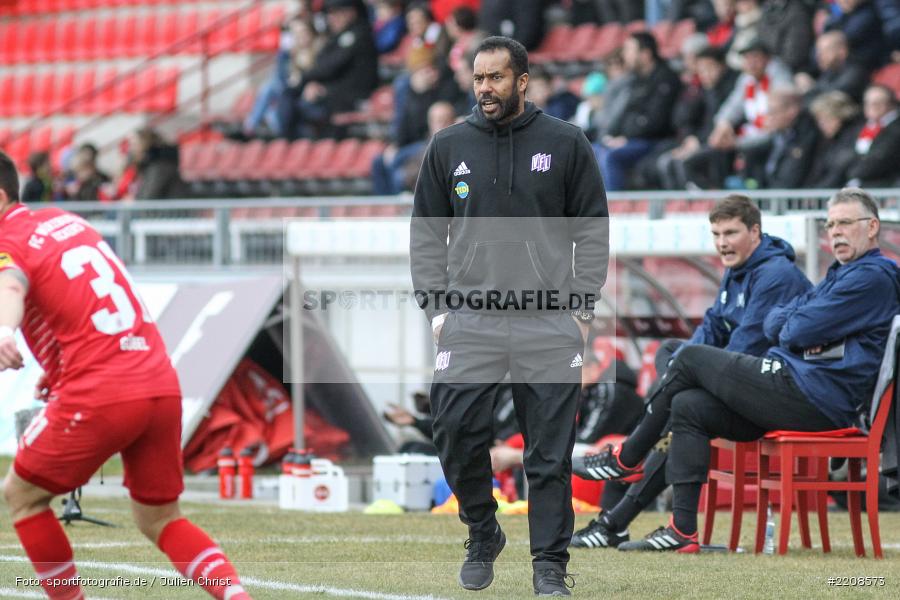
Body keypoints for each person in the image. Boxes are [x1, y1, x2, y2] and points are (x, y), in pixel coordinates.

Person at [581, 188, 900, 552]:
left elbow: (789, 331)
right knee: (687, 403)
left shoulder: (868, 277)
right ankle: (681, 531)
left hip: (816, 397)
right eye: (830, 225)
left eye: (845, 223)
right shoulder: (840, 273)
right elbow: (773, 325)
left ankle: (627, 459)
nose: (835, 232)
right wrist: (790, 327)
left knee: (689, 361)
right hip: (794, 386)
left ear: (872, 227)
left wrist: (788, 328)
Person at [0, 151, 251, 600]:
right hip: (158, 383)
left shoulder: (8, 238)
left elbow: (10, 285)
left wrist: (4, 329)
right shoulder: (66, 221)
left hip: (101, 391)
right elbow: (86, 302)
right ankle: (237, 596)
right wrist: (58, 368)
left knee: (22, 496)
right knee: (160, 518)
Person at [410, 36, 608, 596]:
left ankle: (550, 566)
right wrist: (436, 308)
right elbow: (426, 234)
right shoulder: (448, 145)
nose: (485, 88)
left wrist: (582, 308)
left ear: (522, 81)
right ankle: (483, 528)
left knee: (548, 453)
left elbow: (592, 230)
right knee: (452, 429)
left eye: (495, 78)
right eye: (478, 78)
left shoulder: (565, 142)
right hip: (470, 316)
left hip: (548, 320)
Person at [571, 194, 812, 549]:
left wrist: (694, 372)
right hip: (743, 387)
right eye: (716, 234)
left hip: (771, 394)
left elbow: (744, 349)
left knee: (684, 391)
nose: (722, 243)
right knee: (678, 380)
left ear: (755, 232)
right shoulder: (737, 270)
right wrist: (684, 373)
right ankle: (660, 528)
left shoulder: (776, 276)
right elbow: (710, 329)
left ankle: (624, 476)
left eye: (730, 233)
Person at [596, 32, 681, 191]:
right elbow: (626, 114)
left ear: (645, 54)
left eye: (629, 50)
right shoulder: (636, 80)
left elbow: (656, 121)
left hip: (655, 141)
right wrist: (616, 136)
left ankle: (613, 205)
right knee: (593, 150)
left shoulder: (666, 79)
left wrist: (627, 138)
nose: (625, 55)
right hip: (632, 139)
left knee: (610, 156)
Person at [740, 86, 820, 189]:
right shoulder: (780, 133)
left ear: (792, 111)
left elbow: (789, 180)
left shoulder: (807, 136)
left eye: (773, 112)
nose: (768, 118)